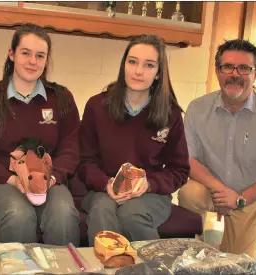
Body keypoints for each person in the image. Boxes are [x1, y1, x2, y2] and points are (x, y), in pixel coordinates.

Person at [179, 39, 256, 260]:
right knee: (189, 193)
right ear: (217, 71)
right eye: (228, 67)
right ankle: (195, 241)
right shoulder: (197, 109)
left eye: (244, 68)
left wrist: (239, 199)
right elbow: (188, 158)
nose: (235, 74)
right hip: (211, 189)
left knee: (235, 265)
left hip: (252, 196)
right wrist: (219, 190)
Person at [0, 23, 80, 246]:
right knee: (18, 214)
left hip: (49, 181)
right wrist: (12, 179)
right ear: (11, 54)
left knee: (63, 213)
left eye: (40, 55)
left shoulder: (61, 98)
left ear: (47, 60)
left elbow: (71, 148)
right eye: (25, 53)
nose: (32, 61)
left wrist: (50, 178)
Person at [78, 35, 190, 245]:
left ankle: (152, 268)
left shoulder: (170, 114)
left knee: (132, 216)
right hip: (102, 190)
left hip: (150, 194)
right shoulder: (97, 106)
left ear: (158, 73)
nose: (138, 71)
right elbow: (85, 161)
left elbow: (180, 170)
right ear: (123, 66)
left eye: (149, 65)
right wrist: (106, 183)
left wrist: (149, 184)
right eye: (132, 62)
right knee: (102, 211)